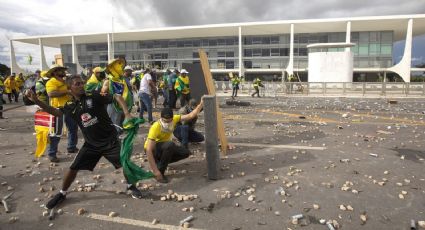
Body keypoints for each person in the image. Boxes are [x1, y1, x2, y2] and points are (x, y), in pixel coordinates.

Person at [25, 76, 148, 210]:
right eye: (77, 84)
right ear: (69, 88)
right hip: (91, 145)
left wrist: (127, 114)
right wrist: (36, 100)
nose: (81, 85)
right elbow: (54, 111)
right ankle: (62, 193)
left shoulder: (94, 96)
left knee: (125, 163)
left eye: (82, 83)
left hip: (110, 141)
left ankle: (131, 186)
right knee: (73, 169)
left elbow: (117, 97)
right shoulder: (70, 106)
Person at [145, 103, 203, 183]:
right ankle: (160, 172)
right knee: (170, 145)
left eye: (169, 121)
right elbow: (148, 150)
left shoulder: (175, 119)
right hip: (154, 150)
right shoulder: (155, 127)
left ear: (172, 118)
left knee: (185, 152)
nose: (167, 123)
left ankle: (161, 162)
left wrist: (201, 103)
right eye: (165, 121)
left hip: (165, 146)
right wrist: (155, 171)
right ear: (160, 118)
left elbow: (190, 115)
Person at [46, 65, 79, 162]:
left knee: (73, 128)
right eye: (61, 70)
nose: (63, 72)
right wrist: (66, 92)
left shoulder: (64, 81)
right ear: (55, 72)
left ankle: (71, 147)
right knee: (56, 132)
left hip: (69, 107)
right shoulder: (51, 82)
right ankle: (52, 153)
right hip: (57, 109)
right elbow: (51, 94)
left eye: (63, 70)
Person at [101, 59, 133, 134]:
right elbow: (103, 94)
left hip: (123, 107)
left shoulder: (121, 79)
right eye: (118, 65)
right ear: (113, 67)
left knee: (121, 128)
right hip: (114, 107)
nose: (121, 67)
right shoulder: (109, 80)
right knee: (115, 129)